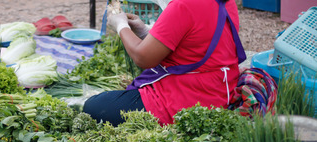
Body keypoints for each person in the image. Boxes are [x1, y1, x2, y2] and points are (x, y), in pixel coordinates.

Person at [82, 0, 246, 126]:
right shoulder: (226, 2)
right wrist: (145, 32)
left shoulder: (184, 5)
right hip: (221, 90)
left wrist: (121, 25)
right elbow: (195, 43)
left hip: (190, 100)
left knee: (93, 107)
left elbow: (143, 58)